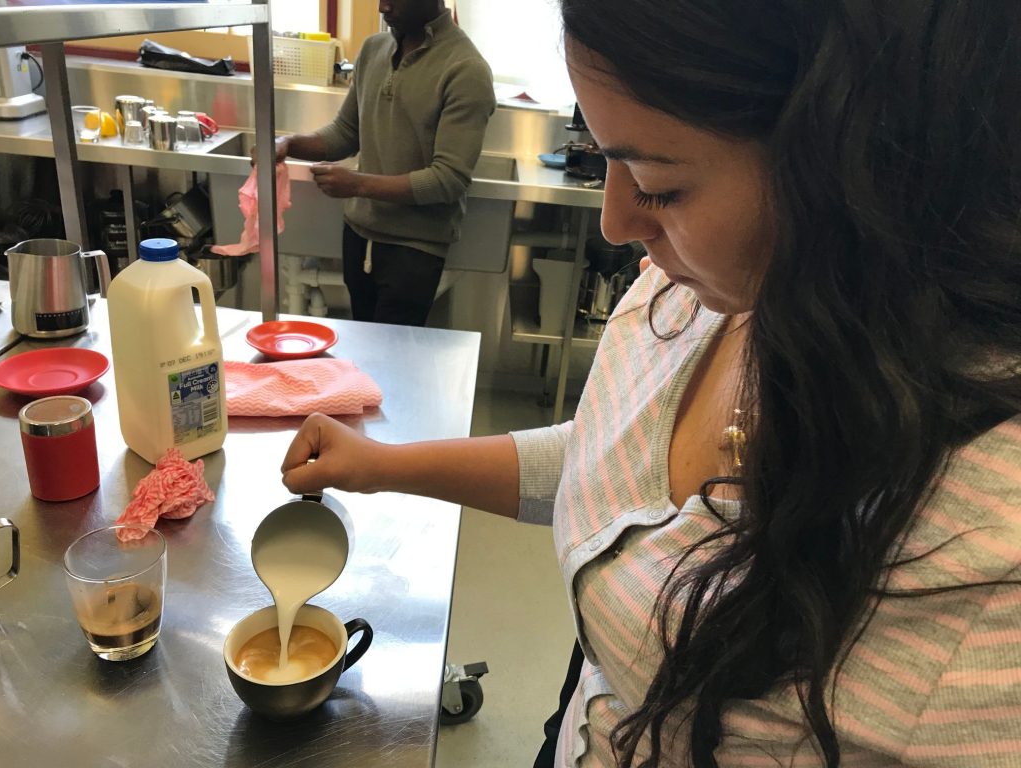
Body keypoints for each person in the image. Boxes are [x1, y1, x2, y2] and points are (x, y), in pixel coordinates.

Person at [281, 0, 1021, 765]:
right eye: (609, 160)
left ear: (858, 157)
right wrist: (381, 464)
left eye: (658, 184)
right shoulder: (687, 295)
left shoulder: (988, 557)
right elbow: (610, 454)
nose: (615, 222)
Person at [272, 0, 495, 326]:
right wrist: (288, 143)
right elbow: (345, 132)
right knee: (365, 349)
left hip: (414, 250)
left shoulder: (466, 69)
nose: (382, 7)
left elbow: (448, 179)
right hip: (358, 235)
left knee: (394, 362)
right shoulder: (374, 48)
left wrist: (357, 184)